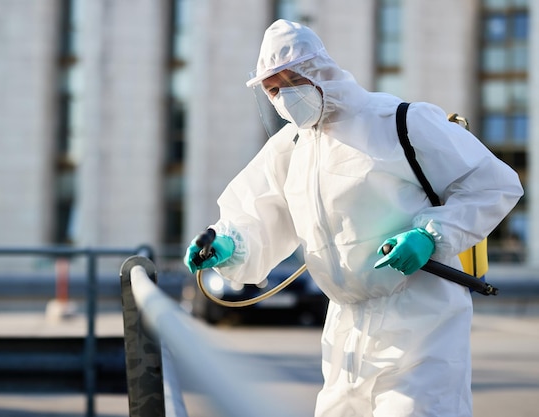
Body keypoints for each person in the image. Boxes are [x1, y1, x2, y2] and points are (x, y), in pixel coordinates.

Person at [184, 19, 523, 417]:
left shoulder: (400, 121)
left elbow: (493, 183)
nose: (282, 98)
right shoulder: (291, 146)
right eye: (272, 90)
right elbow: (259, 211)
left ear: (318, 72)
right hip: (345, 330)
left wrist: (430, 235)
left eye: (289, 83)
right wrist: (226, 243)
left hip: (422, 319)